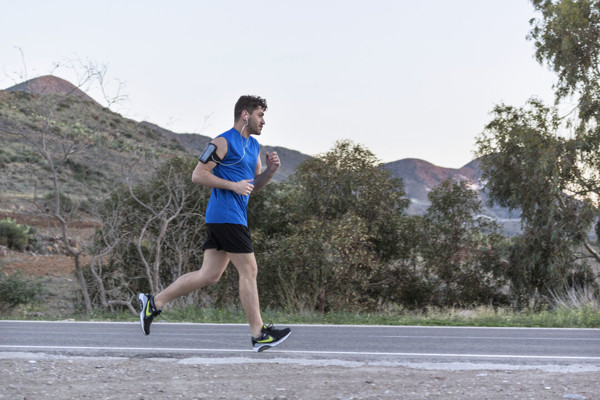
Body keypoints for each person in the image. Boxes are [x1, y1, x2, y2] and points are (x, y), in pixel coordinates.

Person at [138, 95, 291, 352]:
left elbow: (250, 188)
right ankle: (259, 334)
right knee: (249, 270)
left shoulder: (253, 147)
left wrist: (270, 172)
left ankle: (154, 303)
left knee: (209, 275)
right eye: (260, 115)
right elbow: (198, 175)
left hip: (233, 216)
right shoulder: (222, 141)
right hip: (225, 215)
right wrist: (232, 185)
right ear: (245, 115)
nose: (263, 121)